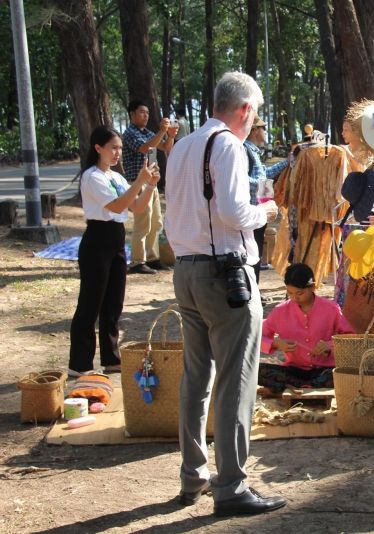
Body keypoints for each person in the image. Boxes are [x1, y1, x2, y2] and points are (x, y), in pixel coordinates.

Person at [164, 71, 284, 517]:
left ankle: (192, 475)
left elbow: (173, 215)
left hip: (187, 272)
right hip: (224, 274)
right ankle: (231, 485)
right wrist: (267, 210)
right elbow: (235, 212)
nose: (254, 124)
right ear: (245, 110)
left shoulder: (181, 147)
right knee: (236, 378)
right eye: (255, 115)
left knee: (196, 378)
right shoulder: (229, 145)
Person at [68, 126, 160, 377]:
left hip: (117, 241)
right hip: (97, 240)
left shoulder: (117, 178)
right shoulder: (92, 176)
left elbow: (137, 207)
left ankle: (111, 357)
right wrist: (139, 181)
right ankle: (80, 363)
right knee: (90, 302)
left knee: (113, 303)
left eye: (119, 148)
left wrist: (150, 185)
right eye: (113, 148)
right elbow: (117, 204)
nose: (117, 153)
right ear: (98, 148)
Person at [259, 263, 354, 392]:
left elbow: (350, 338)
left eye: (300, 293)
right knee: (256, 370)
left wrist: (330, 345)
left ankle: (293, 388)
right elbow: (257, 336)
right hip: (294, 370)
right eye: (290, 293)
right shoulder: (280, 311)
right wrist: (276, 343)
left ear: (313, 287)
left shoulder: (331, 309)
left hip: (325, 370)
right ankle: (307, 387)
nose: (294, 297)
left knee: (343, 376)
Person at [122, 100, 177, 274]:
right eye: (141, 112)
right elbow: (146, 147)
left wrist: (171, 135)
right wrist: (162, 131)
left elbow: (165, 147)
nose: (146, 116)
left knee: (155, 222)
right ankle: (137, 261)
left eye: (147, 113)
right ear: (132, 114)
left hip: (151, 181)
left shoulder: (147, 132)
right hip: (137, 182)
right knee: (143, 221)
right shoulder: (130, 133)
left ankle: (152, 258)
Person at [244, 115, 288, 284]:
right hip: (252, 212)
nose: (265, 132)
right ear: (255, 131)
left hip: (258, 212)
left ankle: (253, 289)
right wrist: (266, 187)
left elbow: (265, 173)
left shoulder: (253, 151)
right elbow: (245, 180)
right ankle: (250, 290)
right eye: (263, 128)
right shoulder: (244, 150)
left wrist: (287, 161)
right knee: (251, 252)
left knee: (256, 250)